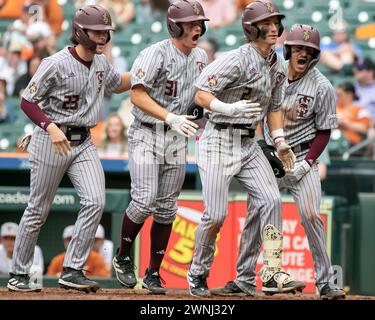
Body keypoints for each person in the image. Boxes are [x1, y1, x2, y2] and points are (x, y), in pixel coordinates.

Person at [7, 4, 132, 293]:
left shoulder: (101, 64)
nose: (103, 37)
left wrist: (145, 74)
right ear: (80, 32)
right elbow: (27, 101)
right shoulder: (55, 63)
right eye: (97, 31)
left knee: (95, 201)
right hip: (52, 139)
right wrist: (49, 127)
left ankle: (73, 269)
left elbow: (119, 83)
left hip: (84, 140)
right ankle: (18, 273)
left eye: (105, 32)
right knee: (38, 209)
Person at [220, 24, 346, 300]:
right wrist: (263, 146)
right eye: (298, 48)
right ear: (289, 49)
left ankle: (325, 282)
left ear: (315, 55)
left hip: (303, 156)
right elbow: (259, 111)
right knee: (256, 213)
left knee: (312, 215)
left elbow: (324, 132)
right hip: (271, 154)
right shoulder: (271, 73)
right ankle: (243, 279)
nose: (303, 54)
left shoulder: (321, 86)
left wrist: (308, 162)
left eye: (309, 50)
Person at [187, 0, 304, 297]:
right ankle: (198, 273)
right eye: (268, 23)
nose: (274, 27)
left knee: (271, 201)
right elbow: (200, 93)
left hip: (249, 143)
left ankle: (270, 272)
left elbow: (275, 107)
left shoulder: (277, 62)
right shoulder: (236, 59)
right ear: (252, 29)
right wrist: (228, 107)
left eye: (276, 21)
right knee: (215, 215)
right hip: (218, 139)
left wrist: (280, 141)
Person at [112, 0, 209, 295]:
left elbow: (201, 96)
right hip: (147, 131)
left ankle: (153, 273)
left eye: (199, 24)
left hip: (177, 136)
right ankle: (124, 256)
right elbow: (137, 96)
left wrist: (200, 115)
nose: (198, 28)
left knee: (166, 209)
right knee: (144, 200)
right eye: (192, 24)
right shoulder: (154, 53)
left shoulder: (201, 56)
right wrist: (171, 116)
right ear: (175, 26)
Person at [336, 81, 372, 153]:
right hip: (332, 140)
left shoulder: (360, 110)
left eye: (340, 94)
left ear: (349, 95)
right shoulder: (334, 107)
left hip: (352, 143)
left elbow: (363, 128)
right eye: (336, 94)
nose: (337, 97)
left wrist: (346, 123)